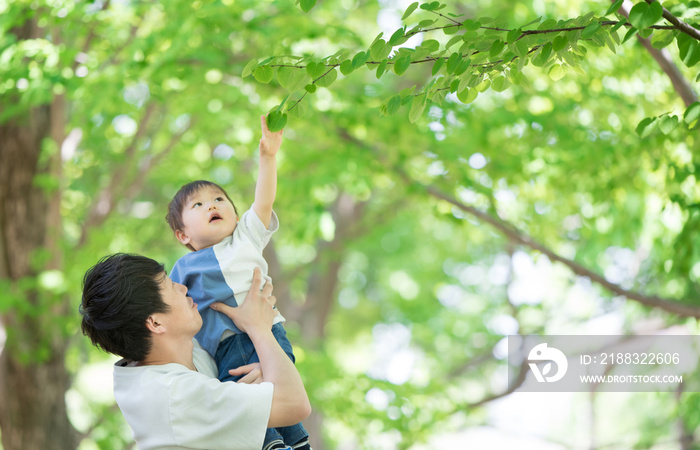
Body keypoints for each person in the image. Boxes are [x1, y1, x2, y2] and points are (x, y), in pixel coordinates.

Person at [165, 115, 310, 450]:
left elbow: (263, 202)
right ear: (183, 234)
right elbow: (168, 308)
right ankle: (274, 444)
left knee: (274, 396)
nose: (212, 205)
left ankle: (290, 441)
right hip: (225, 347)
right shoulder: (182, 269)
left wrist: (268, 157)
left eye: (218, 199)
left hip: (269, 333)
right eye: (198, 205)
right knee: (243, 396)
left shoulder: (245, 238)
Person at [80, 253, 311, 450]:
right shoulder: (174, 396)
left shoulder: (181, 354)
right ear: (156, 323)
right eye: (169, 285)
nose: (182, 287)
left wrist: (268, 372)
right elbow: (296, 405)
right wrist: (259, 329)